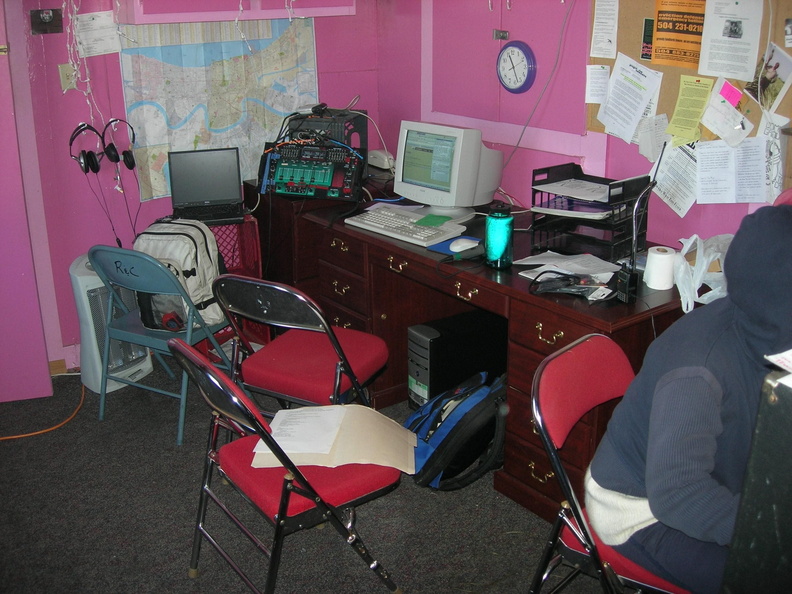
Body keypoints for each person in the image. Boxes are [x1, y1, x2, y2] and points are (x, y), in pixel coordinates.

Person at [585, 205, 792, 593]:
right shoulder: (697, 372)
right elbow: (678, 495)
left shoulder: (759, 322)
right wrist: (768, 529)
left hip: (708, 481)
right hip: (640, 511)